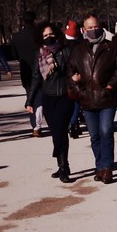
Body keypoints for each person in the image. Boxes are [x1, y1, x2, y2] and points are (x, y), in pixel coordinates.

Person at [68, 14, 117, 184]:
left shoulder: (111, 47)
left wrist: (111, 85)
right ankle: (99, 165)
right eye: (90, 27)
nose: (93, 30)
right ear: (83, 30)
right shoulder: (78, 50)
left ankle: (107, 168)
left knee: (106, 131)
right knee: (94, 135)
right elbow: (70, 72)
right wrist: (78, 88)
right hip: (86, 99)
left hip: (106, 97)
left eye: (96, 26)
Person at [27, 24, 76, 183]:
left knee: (61, 130)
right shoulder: (40, 54)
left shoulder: (66, 50)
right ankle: (62, 164)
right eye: (45, 35)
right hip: (48, 96)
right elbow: (36, 77)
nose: (49, 37)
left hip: (64, 96)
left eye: (51, 34)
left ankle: (63, 168)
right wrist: (30, 100)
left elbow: (72, 71)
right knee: (56, 132)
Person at [11, 11, 39, 134]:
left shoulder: (16, 36)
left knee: (30, 96)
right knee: (40, 96)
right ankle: (38, 123)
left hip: (25, 69)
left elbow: (14, 54)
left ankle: (35, 125)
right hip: (39, 67)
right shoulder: (38, 35)